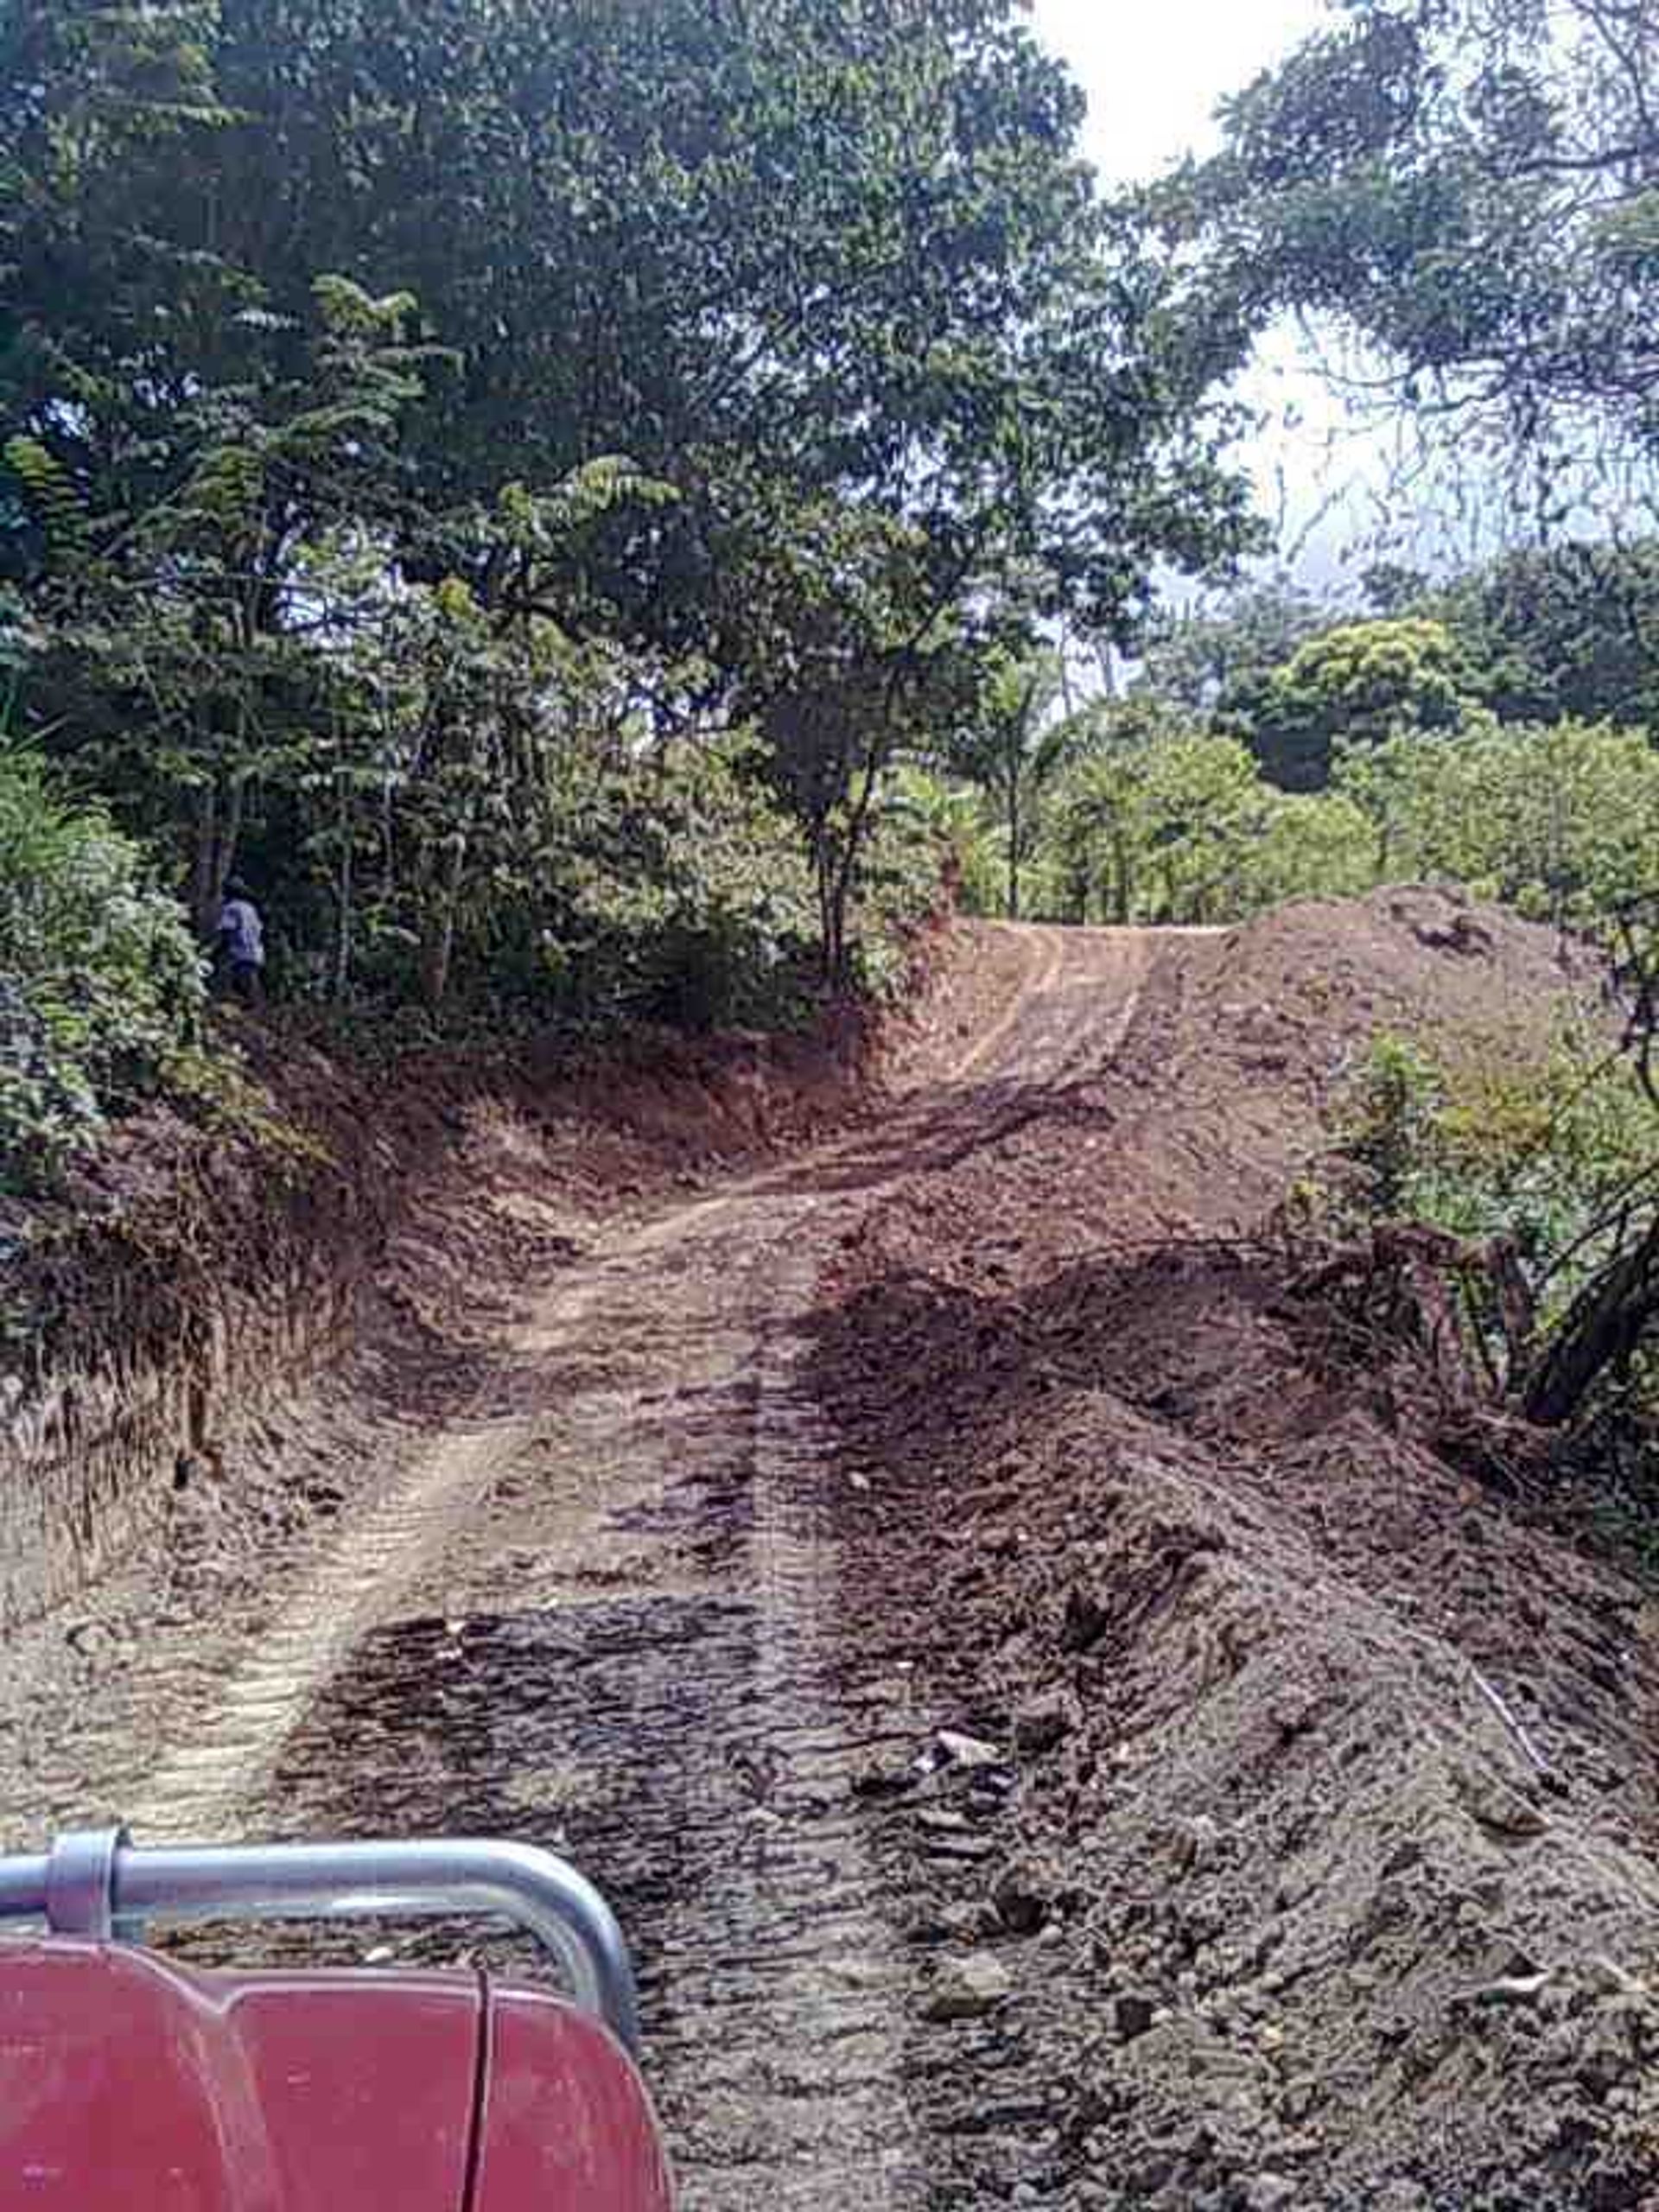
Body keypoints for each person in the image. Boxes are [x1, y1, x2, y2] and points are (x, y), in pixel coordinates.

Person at [216, 877, 265, 1006]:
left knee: (241, 985)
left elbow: (227, 931)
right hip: (255, 951)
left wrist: (216, 951)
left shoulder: (231, 908)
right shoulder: (250, 908)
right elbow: (259, 929)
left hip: (239, 952)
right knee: (250, 983)